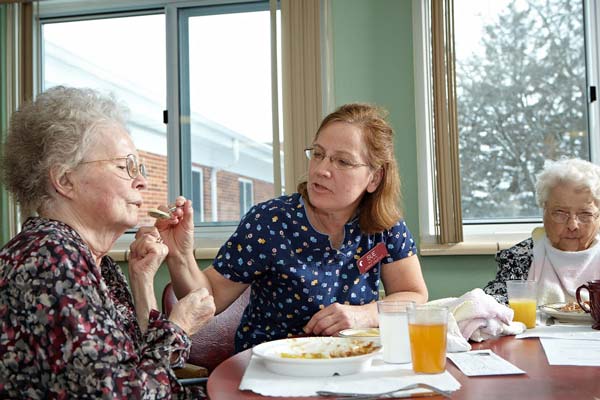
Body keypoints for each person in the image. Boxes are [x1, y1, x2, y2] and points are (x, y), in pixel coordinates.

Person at [152, 103, 428, 353]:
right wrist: (180, 255)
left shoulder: (386, 227)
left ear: (374, 178)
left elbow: (414, 295)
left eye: (342, 161)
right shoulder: (270, 222)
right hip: (270, 370)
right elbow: (208, 297)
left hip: (350, 364)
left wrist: (365, 315)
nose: (321, 169)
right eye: (318, 154)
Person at [0, 86, 215, 399]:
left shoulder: (94, 261)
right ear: (64, 180)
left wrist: (142, 280)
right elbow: (121, 394)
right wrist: (179, 328)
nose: (142, 180)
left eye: (139, 168)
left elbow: (138, 362)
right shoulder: (48, 258)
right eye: (124, 166)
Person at [484, 158, 600, 305]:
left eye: (585, 214)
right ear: (544, 211)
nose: (572, 225)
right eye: (560, 213)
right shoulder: (519, 257)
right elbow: (492, 304)